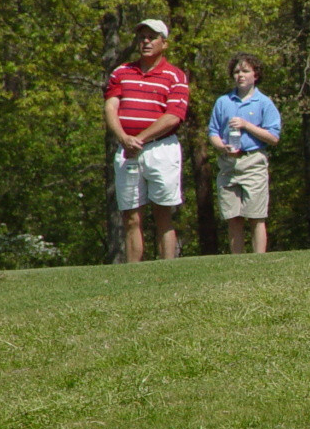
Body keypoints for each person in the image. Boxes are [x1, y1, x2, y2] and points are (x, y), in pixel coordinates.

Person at [103, 18, 191, 262]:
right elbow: (111, 107)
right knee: (131, 216)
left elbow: (173, 117)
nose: (146, 41)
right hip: (127, 151)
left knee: (163, 213)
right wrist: (123, 138)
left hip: (160, 149)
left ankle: (166, 270)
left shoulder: (175, 76)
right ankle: (134, 274)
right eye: (142, 37)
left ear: (164, 43)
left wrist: (138, 139)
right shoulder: (122, 72)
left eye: (152, 37)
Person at [208, 53, 282, 253]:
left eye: (245, 71)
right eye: (236, 71)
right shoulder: (223, 102)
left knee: (256, 216)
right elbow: (213, 132)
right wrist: (221, 147)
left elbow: (274, 138)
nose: (240, 75)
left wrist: (246, 125)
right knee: (233, 216)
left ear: (255, 75)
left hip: (253, 161)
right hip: (228, 163)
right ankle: (237, 261)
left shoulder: (264, 103)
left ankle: (258, 260)